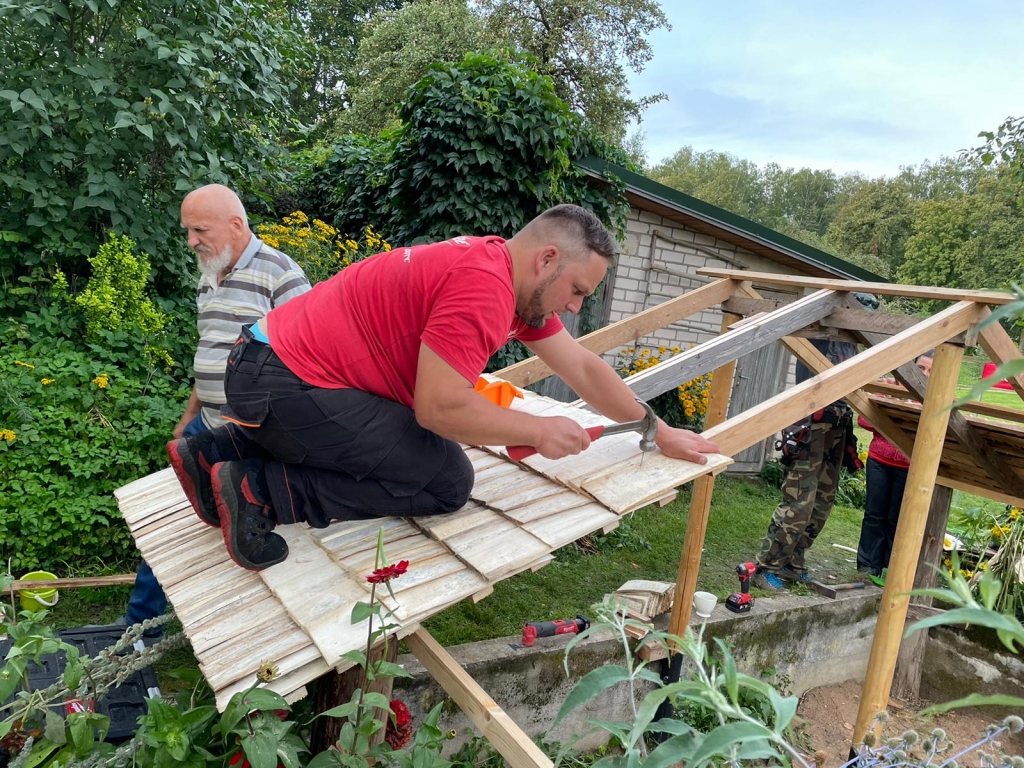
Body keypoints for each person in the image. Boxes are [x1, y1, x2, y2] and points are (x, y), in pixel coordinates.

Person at [166, 204, 720, 571]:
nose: (575, 307)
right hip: (283, 384)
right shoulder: (485, 288)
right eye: (576, 289)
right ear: (546, 259)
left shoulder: (496, 271)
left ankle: (215, 450)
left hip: (260, 368)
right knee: (447, 480)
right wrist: (537, 429)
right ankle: (257, 490)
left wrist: (657, 428)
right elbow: (438, 407)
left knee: (408, 438)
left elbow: (582, 367)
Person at [125, 184, 310, 624]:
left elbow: (309, 361)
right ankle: (138, 626)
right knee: (172, 522)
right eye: (188, 230)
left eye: (199, 230)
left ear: (236, 225)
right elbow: (210, 351)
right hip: (204, 424)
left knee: (238, 525)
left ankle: (234, 622)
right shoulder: (211, 274)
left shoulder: (281, 275)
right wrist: (190, 415)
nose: (191, 241)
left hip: (250, 434)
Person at [752, 292, 879, 590]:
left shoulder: (852, 340)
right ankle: (765, 567)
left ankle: (794, 564)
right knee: (798, 502)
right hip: (812, 424)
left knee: (822, 503)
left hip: (838, 424)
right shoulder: (824, 326)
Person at [855, 351, 933, 583]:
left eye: (931, 370)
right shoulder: (890, 389)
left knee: (895, 518)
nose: (925, 374)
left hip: (909, 465)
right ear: (910, 368)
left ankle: (890, 567)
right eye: (920, 368)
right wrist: (882, 394)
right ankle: (868, 566)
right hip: (879, 459)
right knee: (873, 514)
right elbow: (863, 420)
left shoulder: (934, 397)